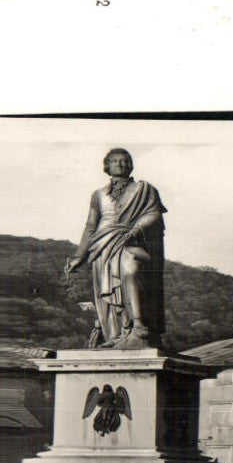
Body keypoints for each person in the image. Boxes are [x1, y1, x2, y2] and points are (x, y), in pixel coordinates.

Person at [64, 148, 166, 348]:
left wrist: (136, 230)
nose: (120, 164)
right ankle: (116, 334)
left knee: (131, 270)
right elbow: (91, 226)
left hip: (132, 241)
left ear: (131, 165)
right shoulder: (98, 194)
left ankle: (139, 326)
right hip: (103, 245)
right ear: (107, 166)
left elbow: (154, 214)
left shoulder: (144, 189)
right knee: (108, 291)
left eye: (125, 160)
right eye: (115, 161)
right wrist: (79, 257)